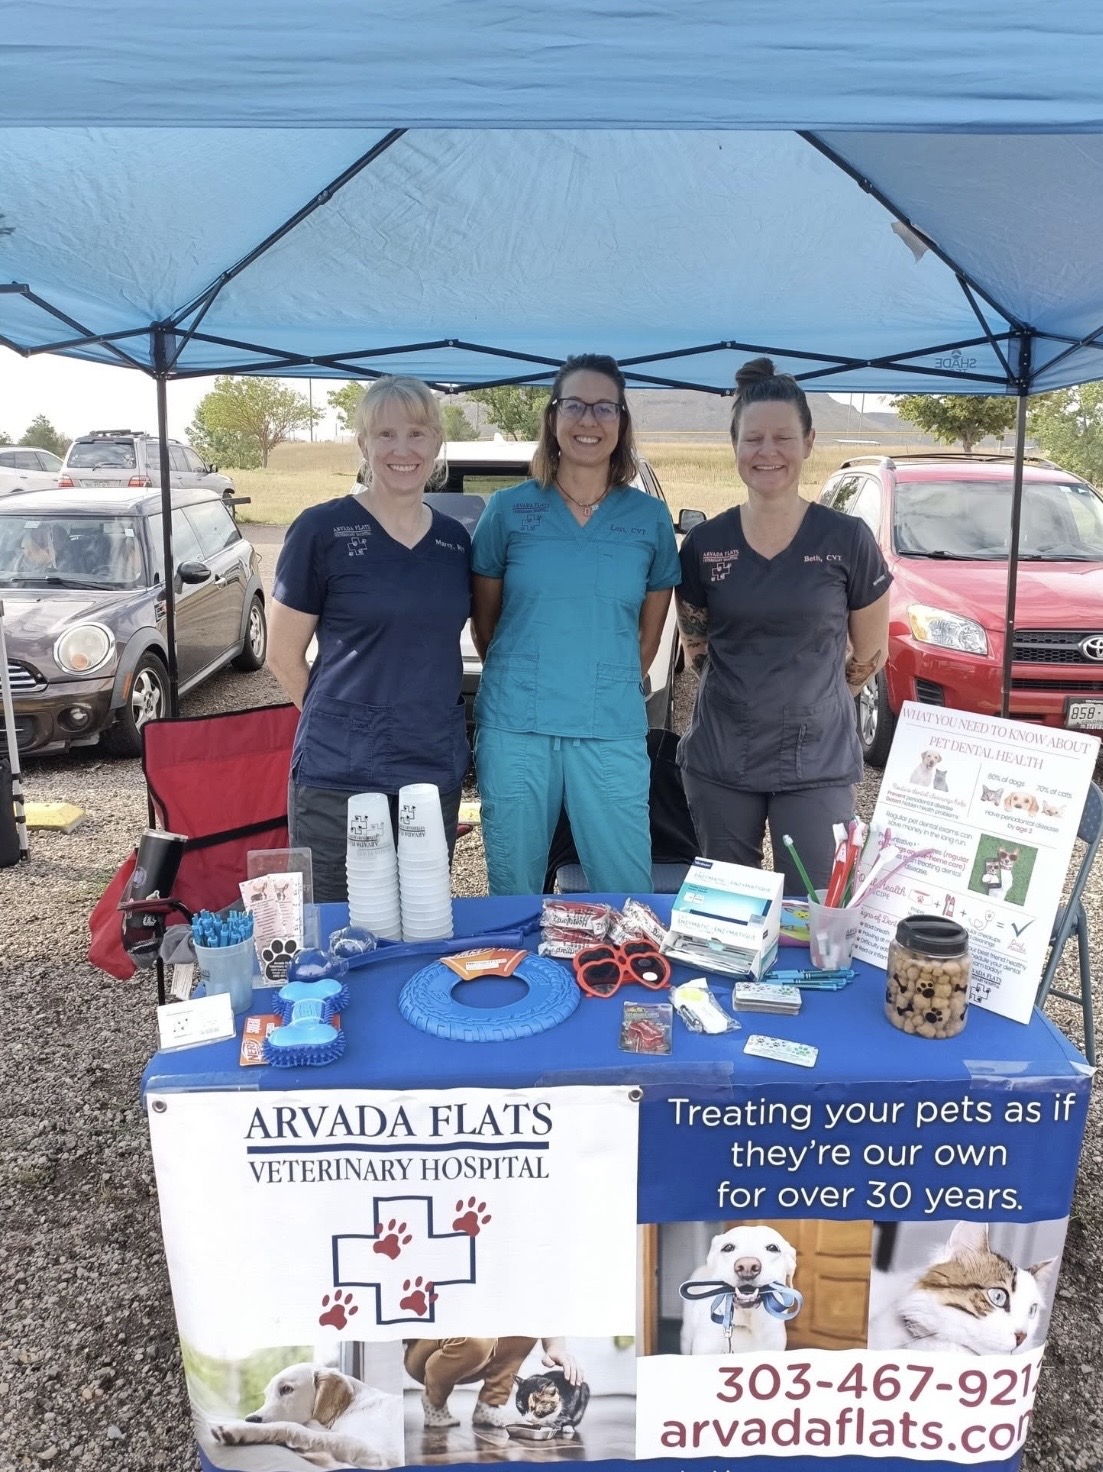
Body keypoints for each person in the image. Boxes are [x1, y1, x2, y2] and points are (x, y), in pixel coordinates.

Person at [675, 357, 891, 893]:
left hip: (815, 762)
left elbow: (870, 654)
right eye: (753, 439)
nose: (766, 452)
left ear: (809, 442)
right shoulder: (705, 545)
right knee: (729, 916)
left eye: (782, 438)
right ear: (735, 446)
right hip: (722, 759)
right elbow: (696, 649)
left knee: (813, 911)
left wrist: (811, 699)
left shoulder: (848, 540)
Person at [471, 354, 681, 896]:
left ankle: (626, 982)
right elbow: (487, 627)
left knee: (624, 890)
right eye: (575, 405)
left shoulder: (649, 519)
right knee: (513, 889)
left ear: (622, 422)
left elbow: (647, 638)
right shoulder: (509, 511)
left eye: (604, 407)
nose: (589, 420)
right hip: (517, 725)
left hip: (609, 726)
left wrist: (599, 682)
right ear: (553, 418)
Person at [267, 376, 472, 902]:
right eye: (385, 435)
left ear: (437, 443)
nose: (402, 449)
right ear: (362, 443)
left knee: (422, 913)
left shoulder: (454, 541)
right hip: (339, 768)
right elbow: (283, 653)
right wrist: (339, 721)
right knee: (337, 920)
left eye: (417, 433)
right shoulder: (321, 530)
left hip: (430, 759)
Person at [404, 1335, 582, 1431]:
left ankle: (490, 1402)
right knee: (478, 1340)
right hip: (429, 1349)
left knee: (525, 1329)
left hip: (483, 1353)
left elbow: (541, 1309)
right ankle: (434, 1401)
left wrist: (555, 1348)